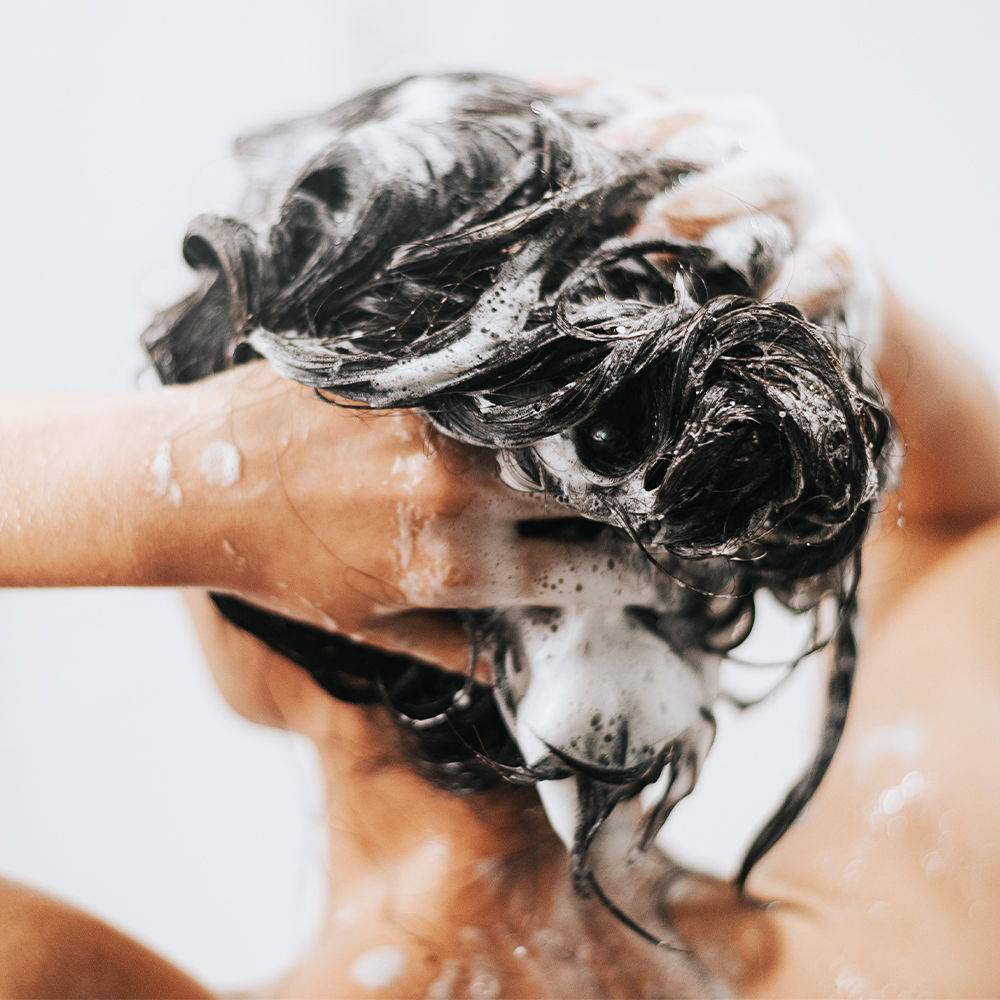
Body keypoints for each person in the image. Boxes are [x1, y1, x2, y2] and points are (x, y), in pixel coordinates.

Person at [0, 73, 997, 999]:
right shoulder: (924, 899)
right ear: (703, 547)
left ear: (238, 609)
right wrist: (828, 291)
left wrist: (184, 471)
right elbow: (972, 522)